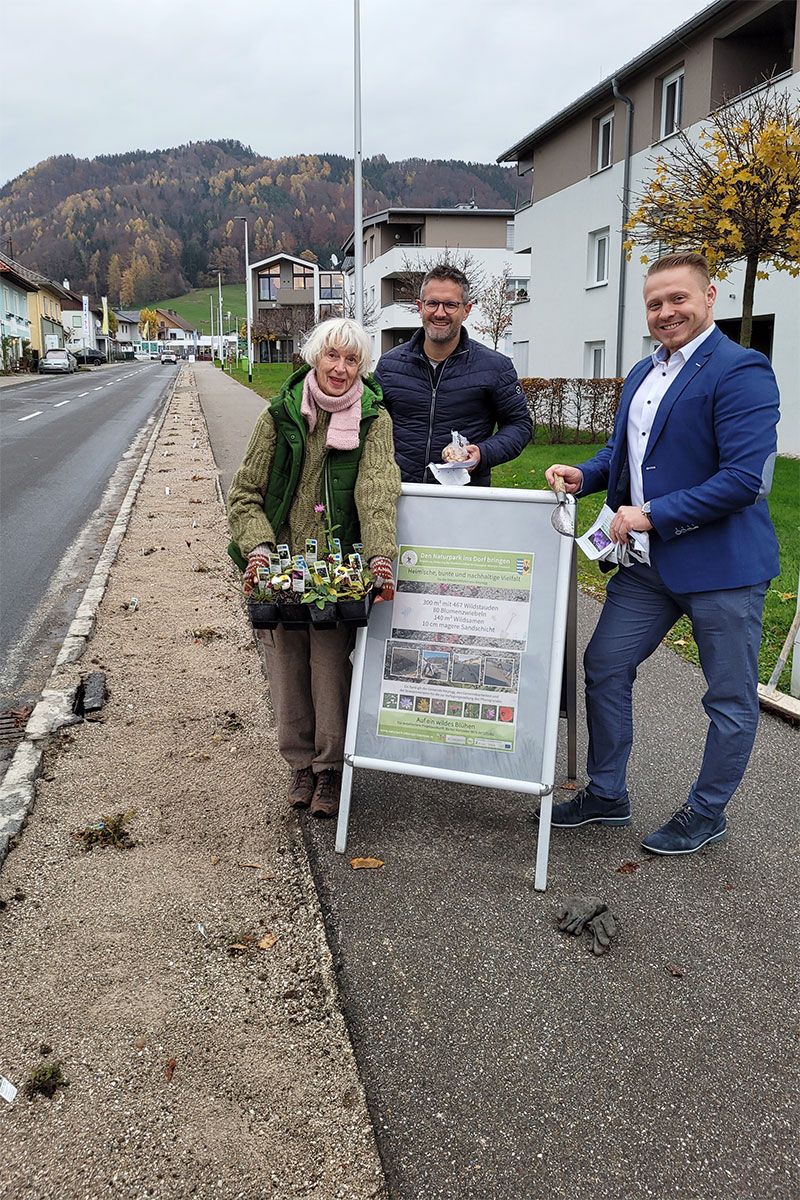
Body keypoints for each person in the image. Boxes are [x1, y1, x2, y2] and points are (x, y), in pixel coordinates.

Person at [544, 251, 780, 856]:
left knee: (727, 698)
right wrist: (585, 474)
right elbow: (625, 458)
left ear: (709, 298)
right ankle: (606, 792)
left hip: (721, 569)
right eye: (655, 303)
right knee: (605, 666)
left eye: (679, 299)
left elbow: (744, 480)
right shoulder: (642, 374)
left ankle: (707, 811)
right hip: (649, 568)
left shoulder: (742, 369)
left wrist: (650, 515)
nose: (666, 311)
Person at [227, 318, 401, 819]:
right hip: (280, 570)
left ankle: (329, 772)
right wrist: (258, 548)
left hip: (333, 573)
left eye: (352, 360)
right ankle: (299, 765)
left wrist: (380, 557)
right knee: (287, 671)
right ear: (314, 358)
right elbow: (246, 494)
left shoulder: (374, 420)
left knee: (328, 670)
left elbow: (376, 493)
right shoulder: (278, 415)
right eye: (333, 357)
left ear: (361, 367)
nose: (341, 369)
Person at [374, 264, 532, 484]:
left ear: (465, 310)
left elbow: (520, 425)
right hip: (400, 494)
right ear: (420, 307)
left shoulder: (495, 367)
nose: (440, 313)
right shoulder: (390, 365)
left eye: (450, 305)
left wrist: (483, 453)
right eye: (432, 303)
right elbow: (370, 426)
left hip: (463, 499)